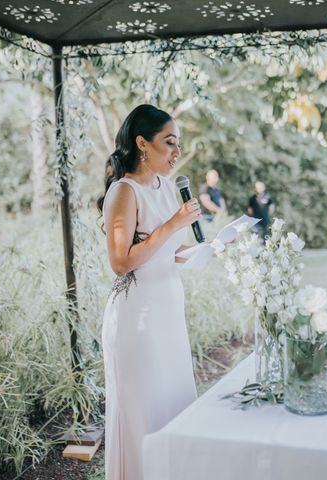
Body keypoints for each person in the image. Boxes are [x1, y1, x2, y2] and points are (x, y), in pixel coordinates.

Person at [97, 104, 199, 480]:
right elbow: (121, 262)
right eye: (169, 143)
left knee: (171, 408)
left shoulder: (166, 187)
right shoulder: (124, 191)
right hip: (137, 322)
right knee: (142, 415)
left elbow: (167, 252)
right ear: (142, 143)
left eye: (178, 144)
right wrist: (174, 223)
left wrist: (212, 248)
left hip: (169, 316)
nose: (176, 152)